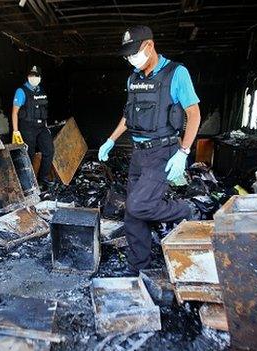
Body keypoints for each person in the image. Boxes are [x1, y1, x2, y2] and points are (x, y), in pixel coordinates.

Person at [98, 25, 202, 274]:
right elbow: (127, 114)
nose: (131, 58)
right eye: (127, 55)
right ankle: (139, 268)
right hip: (138, 153)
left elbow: (194, 115)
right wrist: (111, 140)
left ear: (150, 46)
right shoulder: (133, 78)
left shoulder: (176, 73)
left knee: (137, 205)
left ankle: (188, 209)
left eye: (134, 52)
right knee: (132, 217)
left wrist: (184, 152)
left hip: (162, 152)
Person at [11, 65, 54, 188]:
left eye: (36, 76)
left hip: (41, 127)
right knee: (28, 155)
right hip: (27, 127)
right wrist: (16, 131)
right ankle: (27, 184)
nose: (33, 78)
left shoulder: (41, 91)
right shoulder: (21, 91)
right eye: (31, 75)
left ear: (40, 77)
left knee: (49, 151)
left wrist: (46, 127)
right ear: (27, 76)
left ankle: (43, 178)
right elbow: (15, 112)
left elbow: (43, 110)